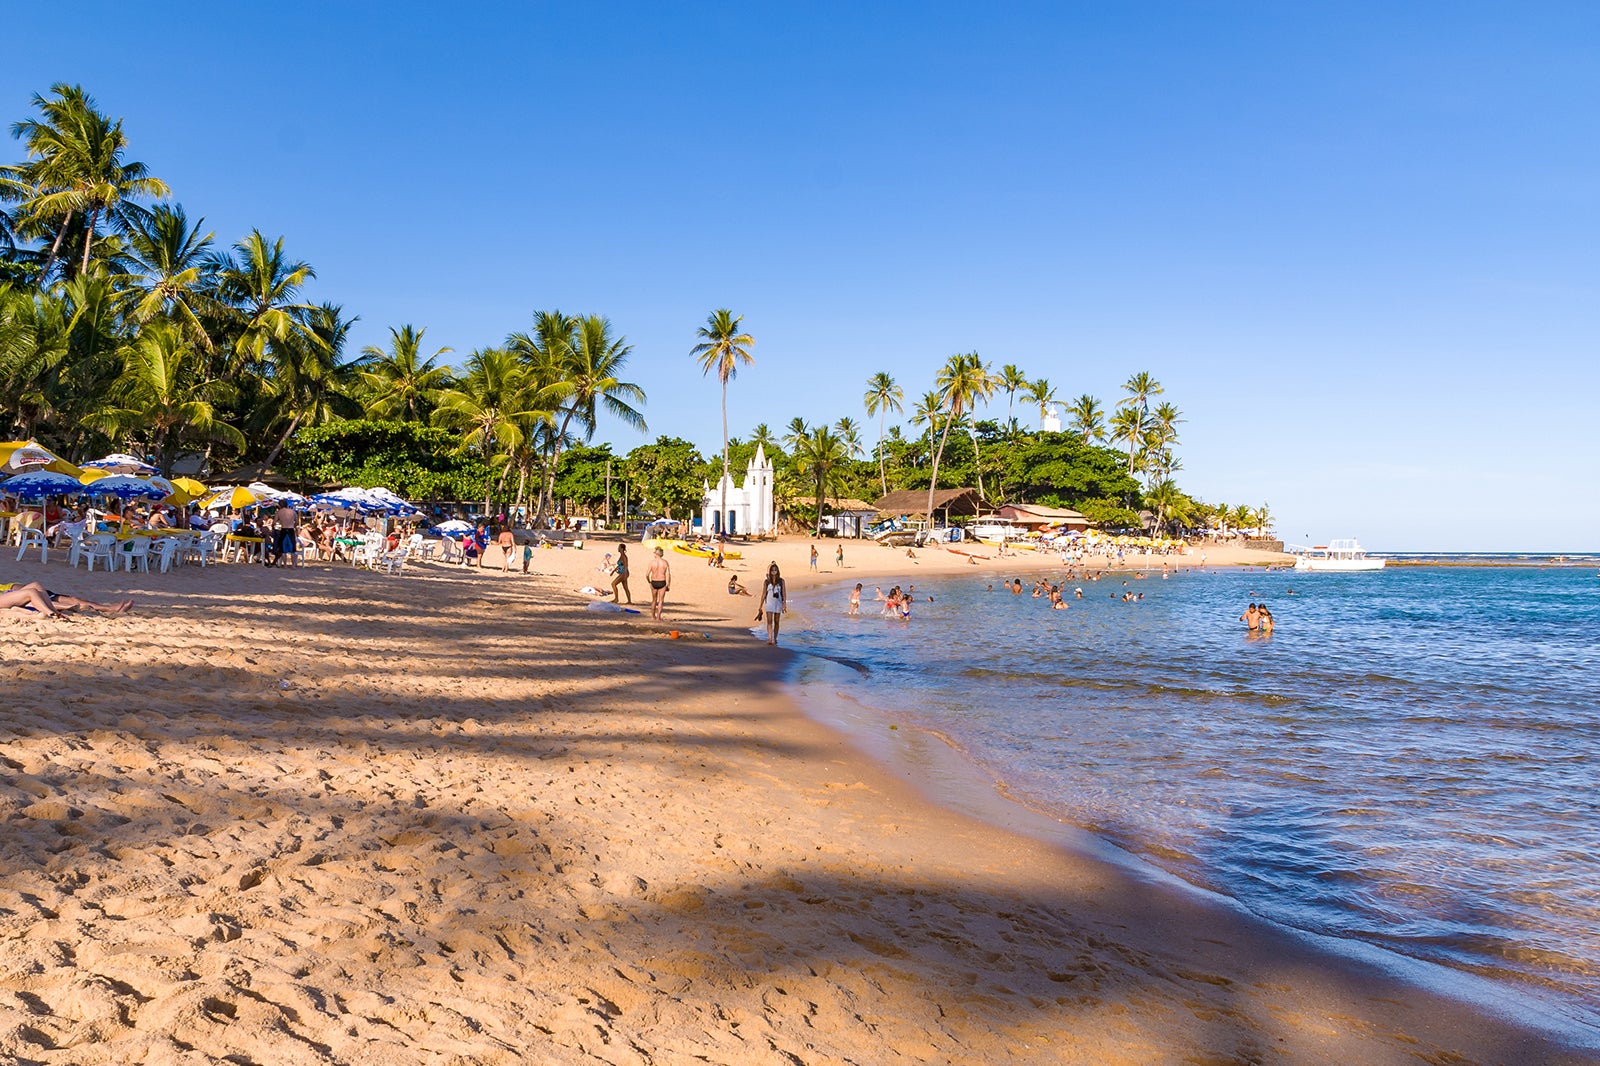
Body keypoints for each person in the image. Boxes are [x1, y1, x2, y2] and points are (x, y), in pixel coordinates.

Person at [0, 581, 133, 618]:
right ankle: (53, 613)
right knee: (33, 594)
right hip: (11, 596)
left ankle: (110, 609)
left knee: (36, 585)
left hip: (12, 592)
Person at [760, 562, 787, 645]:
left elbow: (784, 593)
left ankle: (775, 638)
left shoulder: (781, 581)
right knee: (769, 621)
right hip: (769, 602)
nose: (774, 572)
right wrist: (760, 606)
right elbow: (764, 593)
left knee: (776, 621)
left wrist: (784, 604)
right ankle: (770, 638)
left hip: (778, 602)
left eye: (775, 570)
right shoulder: (767, 581)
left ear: (777, 571)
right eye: (772, 570)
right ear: (770, 571)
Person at [646, 546, 671, 620]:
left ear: (656, 554)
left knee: (654, 600)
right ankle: (658, 617)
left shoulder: (652, 562)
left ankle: (653, 616)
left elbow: (647, 574)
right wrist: (668, 584)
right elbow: (668, 574)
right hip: (662, 581)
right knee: (660, 600)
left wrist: (649, 582)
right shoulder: (665, 562)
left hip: (654, 581)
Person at [275, 501, 300, 567]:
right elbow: (297, 522)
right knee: (292, 549)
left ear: (280, 505)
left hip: (283, 529)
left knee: (283, 549)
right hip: (291, 529)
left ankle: (285, 565)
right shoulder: (293, 512)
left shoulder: (279, 512)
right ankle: (293, 565)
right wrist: (293, 526)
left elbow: (274, 522)